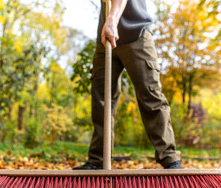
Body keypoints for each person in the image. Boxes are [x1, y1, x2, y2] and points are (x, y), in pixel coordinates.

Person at [74, 0, 182, 170]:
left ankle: (170, 159)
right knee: (101, 100)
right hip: (105, 40)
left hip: (135, 33)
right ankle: (97, 160)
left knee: (150, 96)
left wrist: (111, 20)